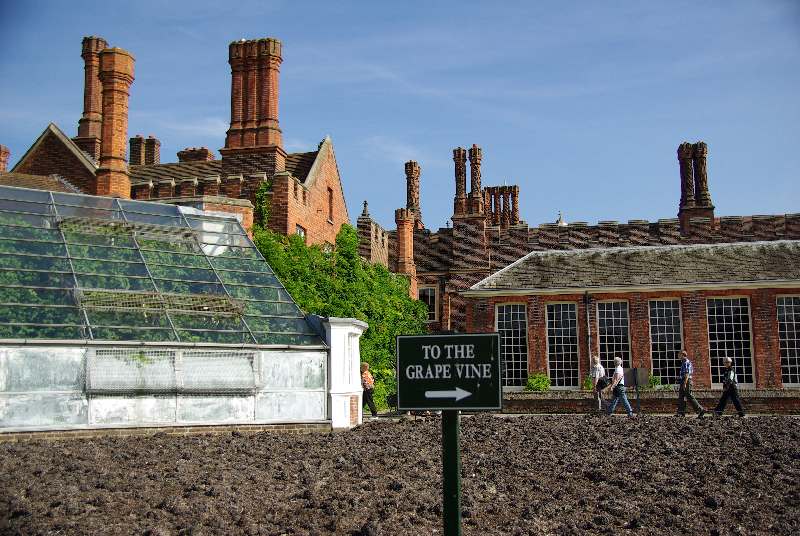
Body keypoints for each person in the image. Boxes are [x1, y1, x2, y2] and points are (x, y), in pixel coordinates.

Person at [677, 350, 706, 417]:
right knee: (681, 396)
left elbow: (687, 374)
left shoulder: (686, 362)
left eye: (679, 354)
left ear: (682, 355)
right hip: (684, 380)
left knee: (689, 395)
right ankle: (681, 412)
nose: (678, 356)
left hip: (686, 381)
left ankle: (700, 410)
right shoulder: (683, 362)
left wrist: (684, 383)